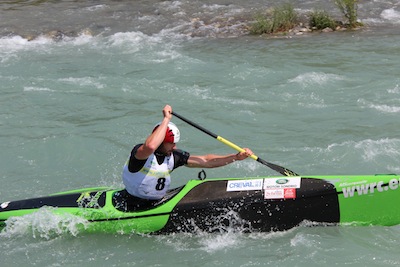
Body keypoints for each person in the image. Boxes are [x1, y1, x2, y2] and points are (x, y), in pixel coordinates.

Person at [121, 104, 253, 203]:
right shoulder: (141, 154)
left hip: (156, 203)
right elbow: (150, 146)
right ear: (161, 141)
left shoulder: (174, 156)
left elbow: (206, 161)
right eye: (171, 143)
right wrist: (166, 119)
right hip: (132, 203)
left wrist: (236, 157)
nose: (175, 147)